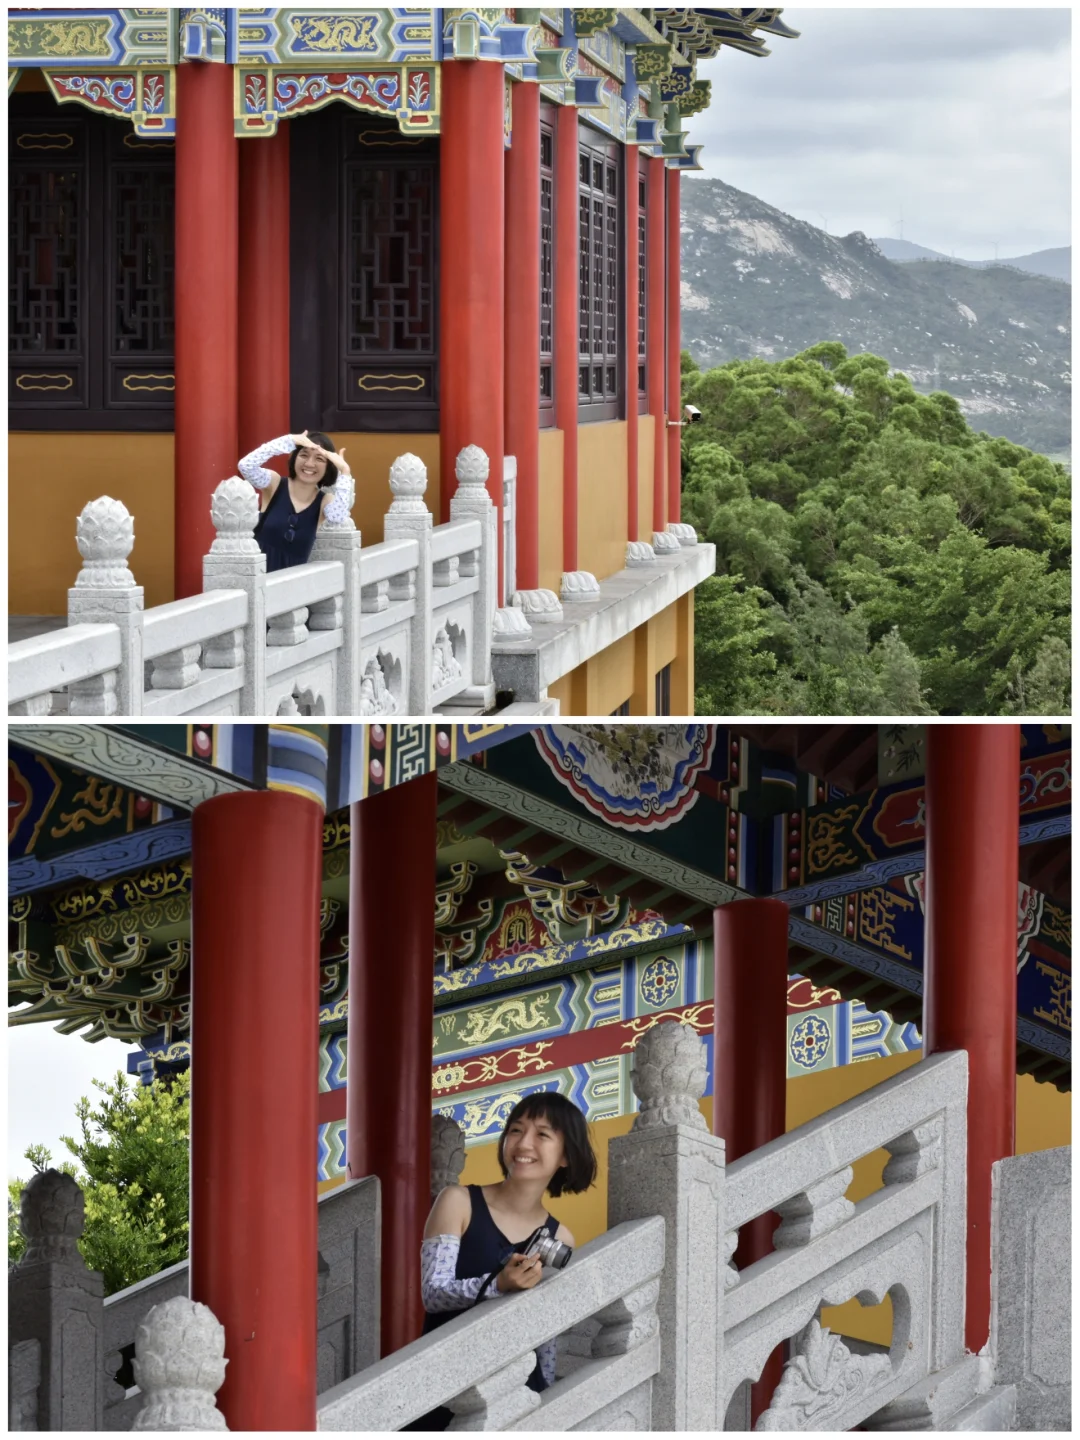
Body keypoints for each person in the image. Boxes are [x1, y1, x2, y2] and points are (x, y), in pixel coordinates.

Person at [408, 1092, 598, 1429]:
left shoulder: (561, 1239)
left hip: (518, 1391)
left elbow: (547, 1334)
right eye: (515, 1130)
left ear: (566, 1155)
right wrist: (498, 1284)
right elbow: (433, 1294)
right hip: (447, 1385)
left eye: (542, 1134)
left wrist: (547, 1399)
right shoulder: (458, 1202)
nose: (524, 1143)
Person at [237, 429, 353, 572]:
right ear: (294, 458)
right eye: (304, 455)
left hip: (293, 586)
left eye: (319, 458)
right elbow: (246, 466)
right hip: (258, 581)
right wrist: (288, 441)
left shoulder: (325, 501)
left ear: (328, 466)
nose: (310, 464)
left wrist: (345, 471)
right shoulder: (274, 483)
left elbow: (338, 516)